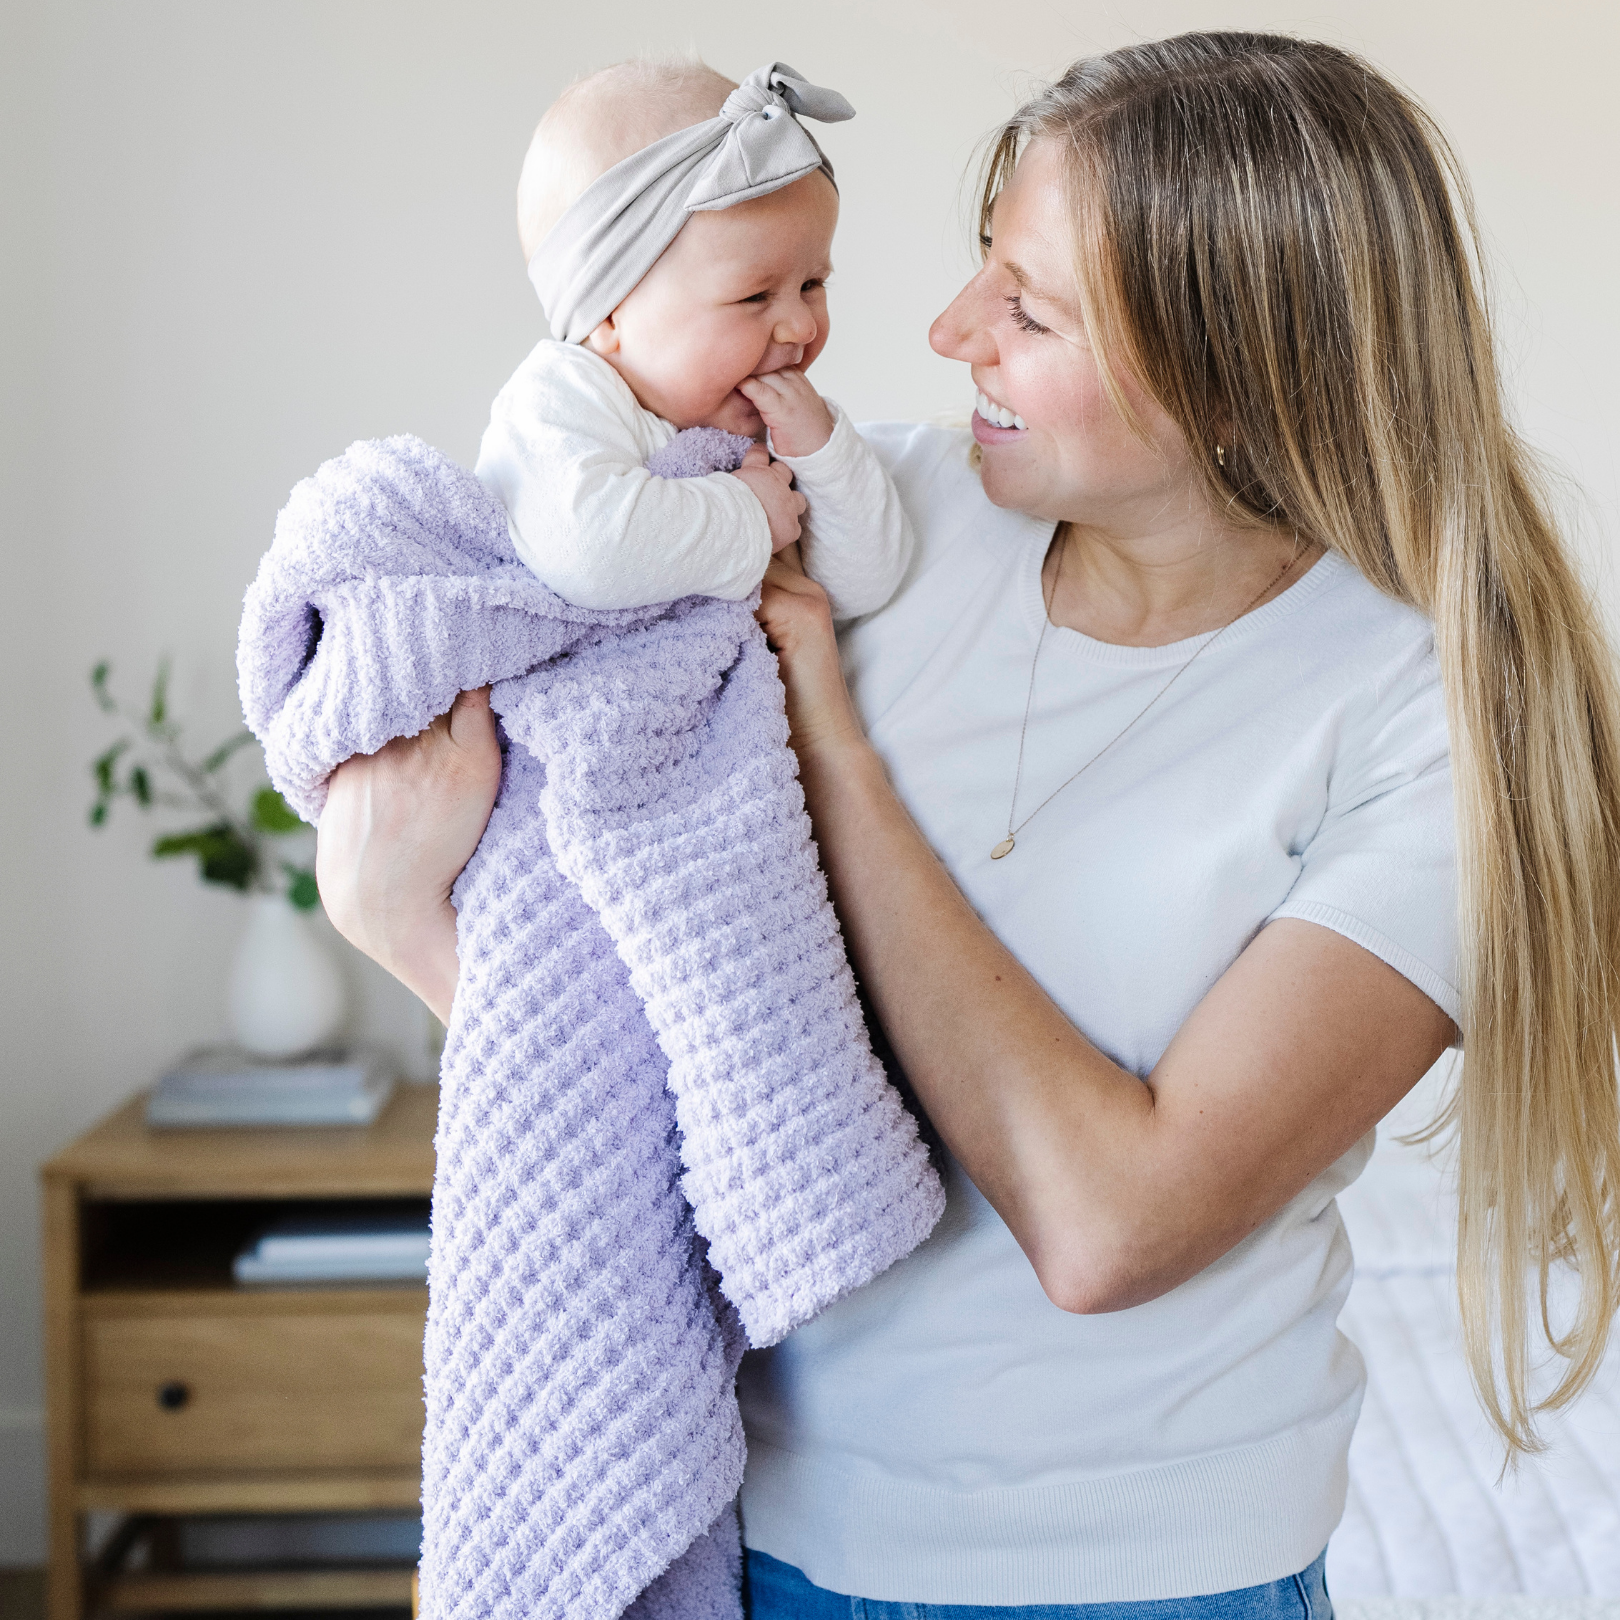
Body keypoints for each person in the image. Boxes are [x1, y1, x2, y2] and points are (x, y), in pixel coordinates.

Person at [317, 31, 1620, 1618]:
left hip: (1152, 1580)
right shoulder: (864, 519)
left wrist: (837, 754)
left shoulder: (1435, 719)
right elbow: (680, 1054)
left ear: (1232, 367)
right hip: (762, 1541)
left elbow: (1112, 1225)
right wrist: (403, 924)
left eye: (1029, 306)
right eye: (973, 272)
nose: (944, 334)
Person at [479, 56, 912, 620]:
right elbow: (587, 549)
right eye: (754, 297)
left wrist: (823, 455)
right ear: (608, 313)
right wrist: (751, 513)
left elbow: (862, 589)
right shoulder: (558, 400)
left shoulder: (771, 422)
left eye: (812, 283)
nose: (802, 326)